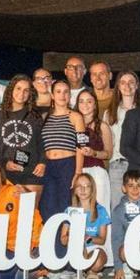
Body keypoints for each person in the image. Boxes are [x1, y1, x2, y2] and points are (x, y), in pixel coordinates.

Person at [40, 80, 86, 220]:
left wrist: (78, 172)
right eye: (58, 92)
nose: (62, 95)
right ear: (52, 95)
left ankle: (66, 234)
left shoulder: (76, 117)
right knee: (47, 206)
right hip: (48, 166)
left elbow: (81, 146)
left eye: (66, 92)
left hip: (67, 165)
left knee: (66, 205)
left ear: (70, 95)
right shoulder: (44, 117)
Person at [0, 75, 44, 197]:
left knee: (29, 209)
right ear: (11, 89)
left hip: (31, 174)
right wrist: (4, 164)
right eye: (18, 88)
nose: (21, 93)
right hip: (4, 174)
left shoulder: (35, 116)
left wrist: (42, 162)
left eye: (26, 90)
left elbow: (42, 143)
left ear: (30, 94)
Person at [110, 169, 140, 279]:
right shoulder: (118, 211)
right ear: (124, 188)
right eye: (131, 186)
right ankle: (127, 265)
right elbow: (116, 239)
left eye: (138, 185)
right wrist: (118, 267)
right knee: (122, 249)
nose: (135, 189)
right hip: (129, 248)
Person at [60, 172, 108, 279]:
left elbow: (102, 240)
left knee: (98, 261)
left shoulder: (101, 210)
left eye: (87, 186)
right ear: (75, 190)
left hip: (94, 246)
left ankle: (92, 271)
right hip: (77, 248)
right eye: (79, 186)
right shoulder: (69, 211)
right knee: (79, 247)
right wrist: (72, 237)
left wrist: (88, 238)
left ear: (92, 189)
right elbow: (63, 240)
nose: (83, 189)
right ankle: (80, 271)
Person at [108, 70, 140, 207]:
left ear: (137, 85)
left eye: (131, 82)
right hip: (117, 165)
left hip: (138, 165)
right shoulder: (110, 112)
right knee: (117, 207)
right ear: (118, 86)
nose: (127, 86)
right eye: (123, 82)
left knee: (138, 208)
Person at [76, 89, 114, 208]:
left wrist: (94, 153)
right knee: (78, 210)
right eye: (81, 101)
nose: (85, 105)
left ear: (95, 105)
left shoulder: (102, 126)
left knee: (99, 208)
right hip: (77, 172)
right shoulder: (71, 125)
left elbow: (108, 154)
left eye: (89, 101)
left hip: (96, 172)